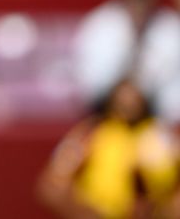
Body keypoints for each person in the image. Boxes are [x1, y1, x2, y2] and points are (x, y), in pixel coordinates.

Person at [37, 77, 180, 218]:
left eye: (134, 100)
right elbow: (53, 184)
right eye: (123, 100)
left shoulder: (159, 134)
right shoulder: (92, 132)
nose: (128, 105)